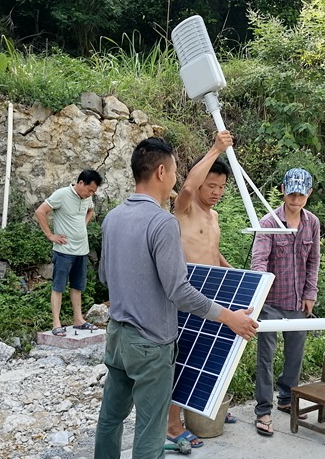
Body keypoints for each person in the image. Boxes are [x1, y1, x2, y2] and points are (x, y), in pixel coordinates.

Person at [94, 137, 258, 459]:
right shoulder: (163, 222)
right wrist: (230, 316)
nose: (175, 177)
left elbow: (104, 277)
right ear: (160, 172)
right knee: (151, 428)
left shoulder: (112, 218)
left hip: (116, 337)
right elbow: (179, 291)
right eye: (174, 170)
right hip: (151, 343)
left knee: (111, 418)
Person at [166, 130, 236, 447]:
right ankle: (172, 424)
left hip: (211, 294)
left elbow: (211, 249)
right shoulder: (184, 209)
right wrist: (215, 149)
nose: (216, 192)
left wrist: (228, 267)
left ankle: (208, 407)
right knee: (182, 361)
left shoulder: (215, 215)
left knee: (210, 354)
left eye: (221, 187)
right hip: (185, 296)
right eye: (212, 185)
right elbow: (189, 186)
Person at [252, 168, 320, 436]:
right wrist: (257, 292)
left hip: (297, 301)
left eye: (301, 194)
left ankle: (286, 398)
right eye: (291, 193)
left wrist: (310, 294)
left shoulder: (312, 222)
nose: (296, 199)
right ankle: (263, 410)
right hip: (270, 300)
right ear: (283, 189)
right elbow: (259, 260)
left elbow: (313, 260)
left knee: (296, 353)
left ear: (309, 194)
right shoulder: (268, 222)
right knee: (265, 356)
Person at [34, 169, 103, 336]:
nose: (90, 194)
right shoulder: (61, 194)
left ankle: (78, 320)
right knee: (58, 287)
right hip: (64, 250)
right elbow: (40, 211)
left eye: (93, 191)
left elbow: (90, 210)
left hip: (81, 249)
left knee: (77, 286)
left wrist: (82, 225)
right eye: (89, 190)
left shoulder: (87, 198)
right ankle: (56, 323)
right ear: (80, 183)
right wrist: (50, 235)